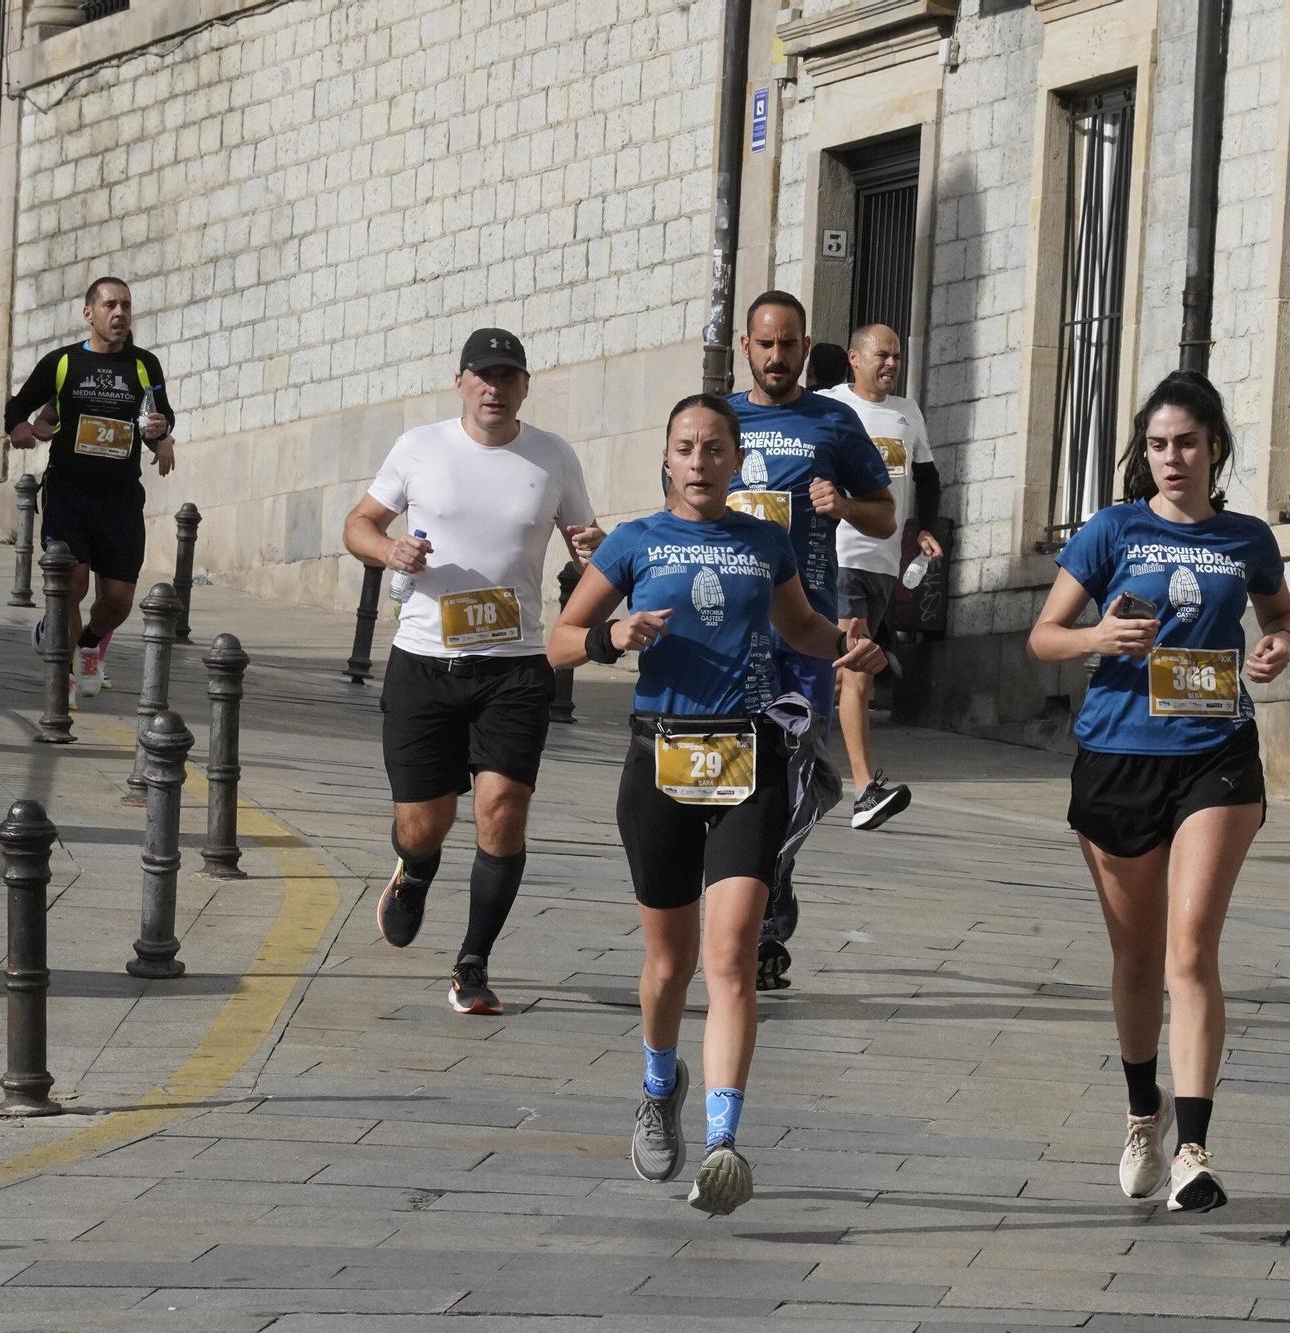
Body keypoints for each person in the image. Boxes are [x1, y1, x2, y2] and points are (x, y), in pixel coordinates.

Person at [550, 394, 885, 1215]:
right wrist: (610, 638)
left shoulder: (765, 542)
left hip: (748, 758)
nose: (699, 462)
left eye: (714, 448)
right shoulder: (634, 541)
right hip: (659, 759)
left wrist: (849, 645)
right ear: (666, 459)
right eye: (685, 448)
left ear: (738, 460)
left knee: (731, 957)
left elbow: (801, 628)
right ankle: (658, 1083)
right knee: (670, 965)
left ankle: (724, 1143)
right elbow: (557, 640)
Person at [1027, 371, 1290, 1214]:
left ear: (1215, 445)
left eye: (1185, 442)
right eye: (1156, 445)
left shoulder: (1247, 538)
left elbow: (1282, 616)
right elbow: (1043, 637)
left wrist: (1278, 645)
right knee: (1138, 955)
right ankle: (1143, 1112)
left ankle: (1193, 1150)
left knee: (1191, 950)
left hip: (1216, 755)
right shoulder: (1112, 529)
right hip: (1118, 755)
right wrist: (1098, 636)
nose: (1171, 458)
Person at [342, 328, 603, 1016]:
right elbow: (358, 524)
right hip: (425, 662)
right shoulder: (419, 447)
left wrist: (592, 547)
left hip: (513, 667)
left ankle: (472, 963)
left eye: (508, 376)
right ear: (460, 381)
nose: (494, 388)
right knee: (424, 823)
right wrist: (389, 551)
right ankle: (415, 870)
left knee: (502, 808)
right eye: (483, 375)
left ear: (525, 386)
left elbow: (587, 542)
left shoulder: (552, 456)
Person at [727, 291, 895, 989]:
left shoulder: (833, 421)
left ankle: (768, 911)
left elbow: (885, 516)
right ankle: (752, 915)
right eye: (765, 344)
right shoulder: (718, 421)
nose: (777, 356)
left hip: (805, 635)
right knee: (736, 781)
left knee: (791, 779)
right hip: (730, 637)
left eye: (788, 343)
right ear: (746, 346)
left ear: (804, 346)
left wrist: (843, 504)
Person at [5, 277, 176, 708]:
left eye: (126, 306)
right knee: (72, 586)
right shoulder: (63, 362)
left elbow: (159, 415)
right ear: (89, 313)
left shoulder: (144, 365)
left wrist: (161, 432)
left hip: (120, 498)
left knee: (117, 600)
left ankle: (88, 642)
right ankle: (62, 677)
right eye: (110, 305)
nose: (119, 313)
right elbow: (18, 405)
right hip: (69, 493)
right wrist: (19, 427)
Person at [819, 323, 946, 830]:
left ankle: (796, 759)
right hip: (840, 554)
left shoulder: (907, 412)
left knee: (844, 669)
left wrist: (925, 529)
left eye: (896, 355)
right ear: (855, 358)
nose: (891, 363)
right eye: (882, 355)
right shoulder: (830, 406)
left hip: (884, 561)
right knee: (856, 667)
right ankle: (863, 788)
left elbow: (927, 477)